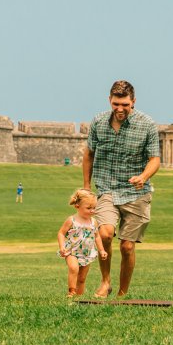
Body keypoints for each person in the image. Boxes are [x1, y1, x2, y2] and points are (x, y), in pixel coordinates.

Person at [82, 80, 160, 298]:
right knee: (105, 234)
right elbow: (88, 154)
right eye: (116, 103)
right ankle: (105, 282)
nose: (120, 109)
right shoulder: (98, 122)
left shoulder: (147, 125)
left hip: (137, 193)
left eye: (125, 104)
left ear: (133, 102)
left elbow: (155, 159)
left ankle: (122, 294)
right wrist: (87, 187)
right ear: (110, 100)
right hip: (106, 188)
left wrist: (144, 176)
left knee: (127, 247)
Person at [56, 188, 106, 297]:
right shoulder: (71, 220)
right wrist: (62, 246)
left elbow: (97, 236)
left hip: (87, 253)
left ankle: (79, 298)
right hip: (72, 251)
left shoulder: (94, 222)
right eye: (89, 208)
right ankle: (71, 292)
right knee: (74, 268)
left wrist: (101, 250)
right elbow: (61, 233)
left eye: (94, 208)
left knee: (82, 278)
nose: (92, 210)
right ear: (77, 206)